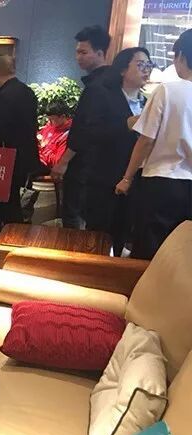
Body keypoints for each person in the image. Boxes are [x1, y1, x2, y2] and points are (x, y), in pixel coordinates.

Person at [115, 29, 192, 260]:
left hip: (161, 182)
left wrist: (127, 178)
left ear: (181, 56)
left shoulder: (168, 90)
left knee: (149, 249)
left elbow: (146, 140)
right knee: (182, 252)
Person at [83, 48, 152, 256]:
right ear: (122, 69)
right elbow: (90, 133)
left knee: (123, 230)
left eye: (149, 65)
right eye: (140, 64)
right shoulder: (102, 94)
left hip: (134, 179)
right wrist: (125, 125)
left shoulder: (147, 102)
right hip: (104, 177)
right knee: (98, 234)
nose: (146, 70)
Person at [52, 25, 111, 229]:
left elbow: (85, 131)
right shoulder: (109, 82)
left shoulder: (97, 87)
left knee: (76, 222)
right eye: (77, 52)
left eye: (83, 52)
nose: (78, 57)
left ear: (100, 53)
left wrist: (63, 162)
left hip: (86, 168)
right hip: (100, 168)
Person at [0, 55, 40, 244]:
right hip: (24, 155)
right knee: (12, 201)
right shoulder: (27, 91)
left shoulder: (4, 96)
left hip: (5, 158)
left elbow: (0, 132)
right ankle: (16, 239)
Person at [21, 100, 73, 223]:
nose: (50, 122)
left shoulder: (68, 134)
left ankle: (24, 208)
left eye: (53, 119)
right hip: (39, 161)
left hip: (51, 168)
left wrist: (44, 151)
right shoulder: (48, 127)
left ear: (63, 117)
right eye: (49, 119)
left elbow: (57, 161)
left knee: (28, 170)